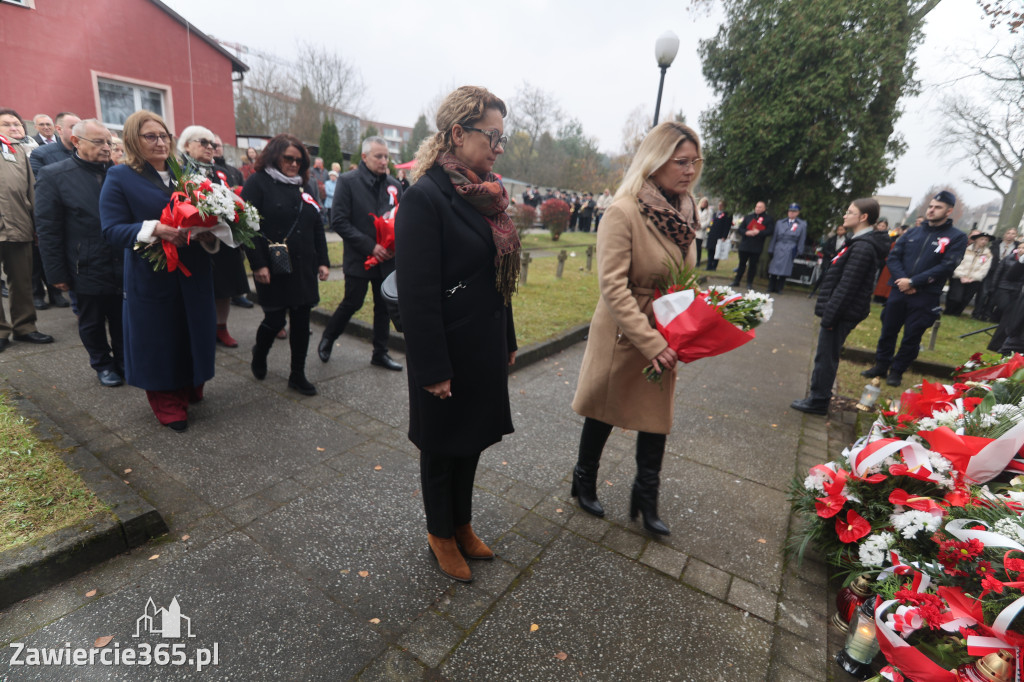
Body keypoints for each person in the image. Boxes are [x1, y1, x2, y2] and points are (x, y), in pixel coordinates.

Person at [395, 85, 518, 583]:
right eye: (492, 136)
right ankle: (439, 534)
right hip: (446, 348)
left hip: (483, 344)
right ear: (458, 133)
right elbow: (417, 294)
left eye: (502, 138)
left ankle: (462, 524)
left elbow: (497, 276)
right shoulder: (425, 198)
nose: (498, 147)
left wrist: (508, 338)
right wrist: (432, 368)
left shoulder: (485, 196)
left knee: (471, 441)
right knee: (443, 446)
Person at [571, 121, 701, 537]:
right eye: (681, 162)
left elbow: (685, 279)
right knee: (604, 410)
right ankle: (583, 477)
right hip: (625, 331)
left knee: (655, 414)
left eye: (694, 161)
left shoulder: (686, 214)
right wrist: (650, 341)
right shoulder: (623, 211)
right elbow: (612, 287)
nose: (690, 170)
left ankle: (646, 497)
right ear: (655, 161)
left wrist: (696, 324)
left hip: (666, 327)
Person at [99, 110, 220, 432]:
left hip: (194, 270)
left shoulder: (188, 173)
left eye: (164, 135)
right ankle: (166, 398)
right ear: (132, 140)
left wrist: (211, 234)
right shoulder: (120, 177)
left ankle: (192, 381)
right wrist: (156, 229)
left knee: (196, 329)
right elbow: (111, 230)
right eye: (150, 136)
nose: (160, 142)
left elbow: (207, 216)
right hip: (153, 273)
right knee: (161, 337)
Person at [35, 119, 124, 387]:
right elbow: (48, 230)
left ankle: (124, 360)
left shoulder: (118, 173)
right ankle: (102, 364)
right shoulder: (54, 176)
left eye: (108, 142)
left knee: (122, 318)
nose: (106, 147)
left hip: (120, 261)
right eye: (98, 142)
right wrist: (56, 274)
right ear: (76, 142)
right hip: (84, 264)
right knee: (92, 321)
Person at [242, 135, 330, 396]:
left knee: (302, 321)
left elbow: (317, 226)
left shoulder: (305, 185)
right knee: (275, 318)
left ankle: (297, 375)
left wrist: (323, 261)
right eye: (288, 158)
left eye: (299, 161)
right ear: (274, 156)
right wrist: (258, 264)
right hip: (273, 265)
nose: (294, 164)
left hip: (303, 267)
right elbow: (247, 226)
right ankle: (260, 352)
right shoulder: (258, 182)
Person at [791, 199, 889, 414]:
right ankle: (818, 397)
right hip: (840, 311)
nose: (845, 215)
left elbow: (847, 286)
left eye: (850, 212)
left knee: (826, 357)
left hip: (841, 313)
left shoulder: (863, 247)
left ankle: (818, 401)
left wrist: (830, 316)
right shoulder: (858, 242)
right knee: (826, 355)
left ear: (863, 217)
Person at [861, 191, 967, 387]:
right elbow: (894, 257)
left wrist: (914, 282)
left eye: (938, 207)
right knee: (888, 331)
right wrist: (902, 280)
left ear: (949, 211)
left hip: (925, 295)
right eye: (930, 206)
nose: (932, 210)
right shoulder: (912, 232)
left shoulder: (957, 237)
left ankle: (897, 371)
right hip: (899, 291)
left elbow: (947, 265)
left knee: (912, 335)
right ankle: (881, 365)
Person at [317, 136, 403, 370]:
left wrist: (393, 246)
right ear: (364, 157)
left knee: (384, 307)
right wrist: (370, 246)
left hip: (387, 259)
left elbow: (401, 218)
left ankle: (380, 353)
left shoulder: (394, 184)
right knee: (352, 302)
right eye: (378, 156)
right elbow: (339, 221)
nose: (384, 161)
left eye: (386, 156)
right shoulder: (348, 181)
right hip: (360, 257)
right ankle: (328, 338)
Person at [177, 125, 250, 348]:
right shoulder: (177, 172)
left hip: (221, 242)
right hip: (190, 244)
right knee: (197, 290)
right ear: (186, 145)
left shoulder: (220, 172)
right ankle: (200, 330)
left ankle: (221, 328)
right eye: (203, 142)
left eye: (213, 143)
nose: (210, 147)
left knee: (224, 288)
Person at [0, 108, 54, 352]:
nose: (14, 127)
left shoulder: (18, 150)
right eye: (7, 124)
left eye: (17, 123)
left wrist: (36, 225)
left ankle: (25, 327)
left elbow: (31, 189)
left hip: (18, 223)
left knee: (22, 281)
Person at [29, 112, 79, 310]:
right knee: (41, 258)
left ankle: (57, 294)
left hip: (78, 218)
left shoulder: (84, 151)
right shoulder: (41, 153)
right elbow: (39, 186)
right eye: (72, 127)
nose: (46, 127)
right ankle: (38, 294)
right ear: (60, 129)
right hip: (53, 214)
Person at [944, 231, 992, 316]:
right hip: (960, 277)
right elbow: (958, 263)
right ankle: (948, 311)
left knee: (966, 298)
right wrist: (961, 275)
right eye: (982, 239)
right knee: (956, 297)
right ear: (976, 240)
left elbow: (984, 268)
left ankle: (957, 313)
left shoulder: (988, 254)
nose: (984, 241)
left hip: (974, 280)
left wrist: (973, 278)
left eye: (986, 240)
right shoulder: (965, 250)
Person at [975, 228, 1018, 321]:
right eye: (1008, 233)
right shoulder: (995, 245)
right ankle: (977, 313)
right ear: (1004, 234)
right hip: (991, 272)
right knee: (983, 293)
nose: (1010, 235)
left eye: (1013, 233)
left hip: (1004, 275)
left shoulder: (1017, 247)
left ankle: (987, 315)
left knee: (994, 296)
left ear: (1016, 235)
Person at [766, 203, 807, 293]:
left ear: (797, 213)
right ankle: (771, 287)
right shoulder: (780, 222)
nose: (791, 213)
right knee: (774, 267)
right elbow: (774, 237)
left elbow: (802, 239)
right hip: (779, 246)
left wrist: (799, 250)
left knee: (785, 269)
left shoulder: (802, 224)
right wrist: (771, 248)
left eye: (794, 211)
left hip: (790, 247)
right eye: (790, 211)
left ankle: (779, 288)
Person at [731, 201, 772, 289]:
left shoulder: (768, 219)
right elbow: (740, 229)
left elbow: (770, 231)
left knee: (753, 266)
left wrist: (759, 232)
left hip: (756, 246)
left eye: (760, 207)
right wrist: (746, 232)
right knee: (741, 264)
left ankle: (749, 283)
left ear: (764, 209)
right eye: (756, 207)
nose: (757, 209)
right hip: (745, 245)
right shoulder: (748, 217)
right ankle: (736, 281)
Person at [705, 200, 731, 271]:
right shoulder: (715, 213)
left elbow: (727, 226)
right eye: (719, 205)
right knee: (710, 250)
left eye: (721, 205)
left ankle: (714, 266)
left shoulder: (727, 215)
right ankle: (709, 265)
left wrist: (724, 236)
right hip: (712, 235)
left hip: (719, 236)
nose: (719, 206)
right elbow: (711, 223)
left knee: (717, 251)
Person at [695, 196, 711, 267]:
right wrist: (695, 225)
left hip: (701, 231)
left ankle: (698, 261)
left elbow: (708, 222)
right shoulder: (697, 209)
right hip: (695, 229)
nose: (704, 204)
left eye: (705, 203)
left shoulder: (708, 212)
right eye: (703, 202)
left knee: (698, 247)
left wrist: (700, 226)